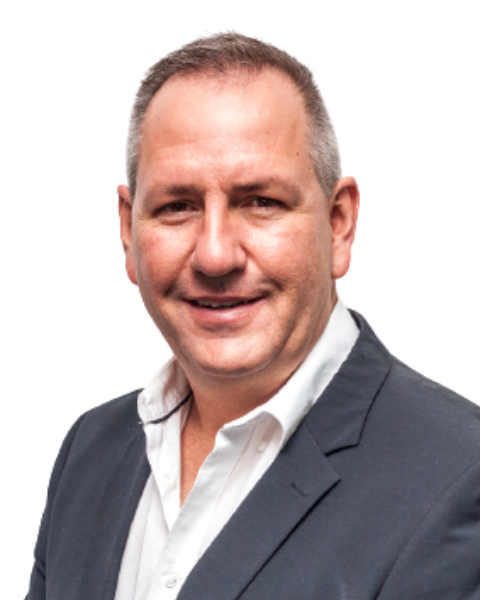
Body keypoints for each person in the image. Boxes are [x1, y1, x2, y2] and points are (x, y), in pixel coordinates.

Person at [26, 33, 480, 600]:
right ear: (127, 231)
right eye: (177, 207)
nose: (215, 255)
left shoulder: (460, 477)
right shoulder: (89, 452)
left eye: (261, 202)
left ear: (338, 225)